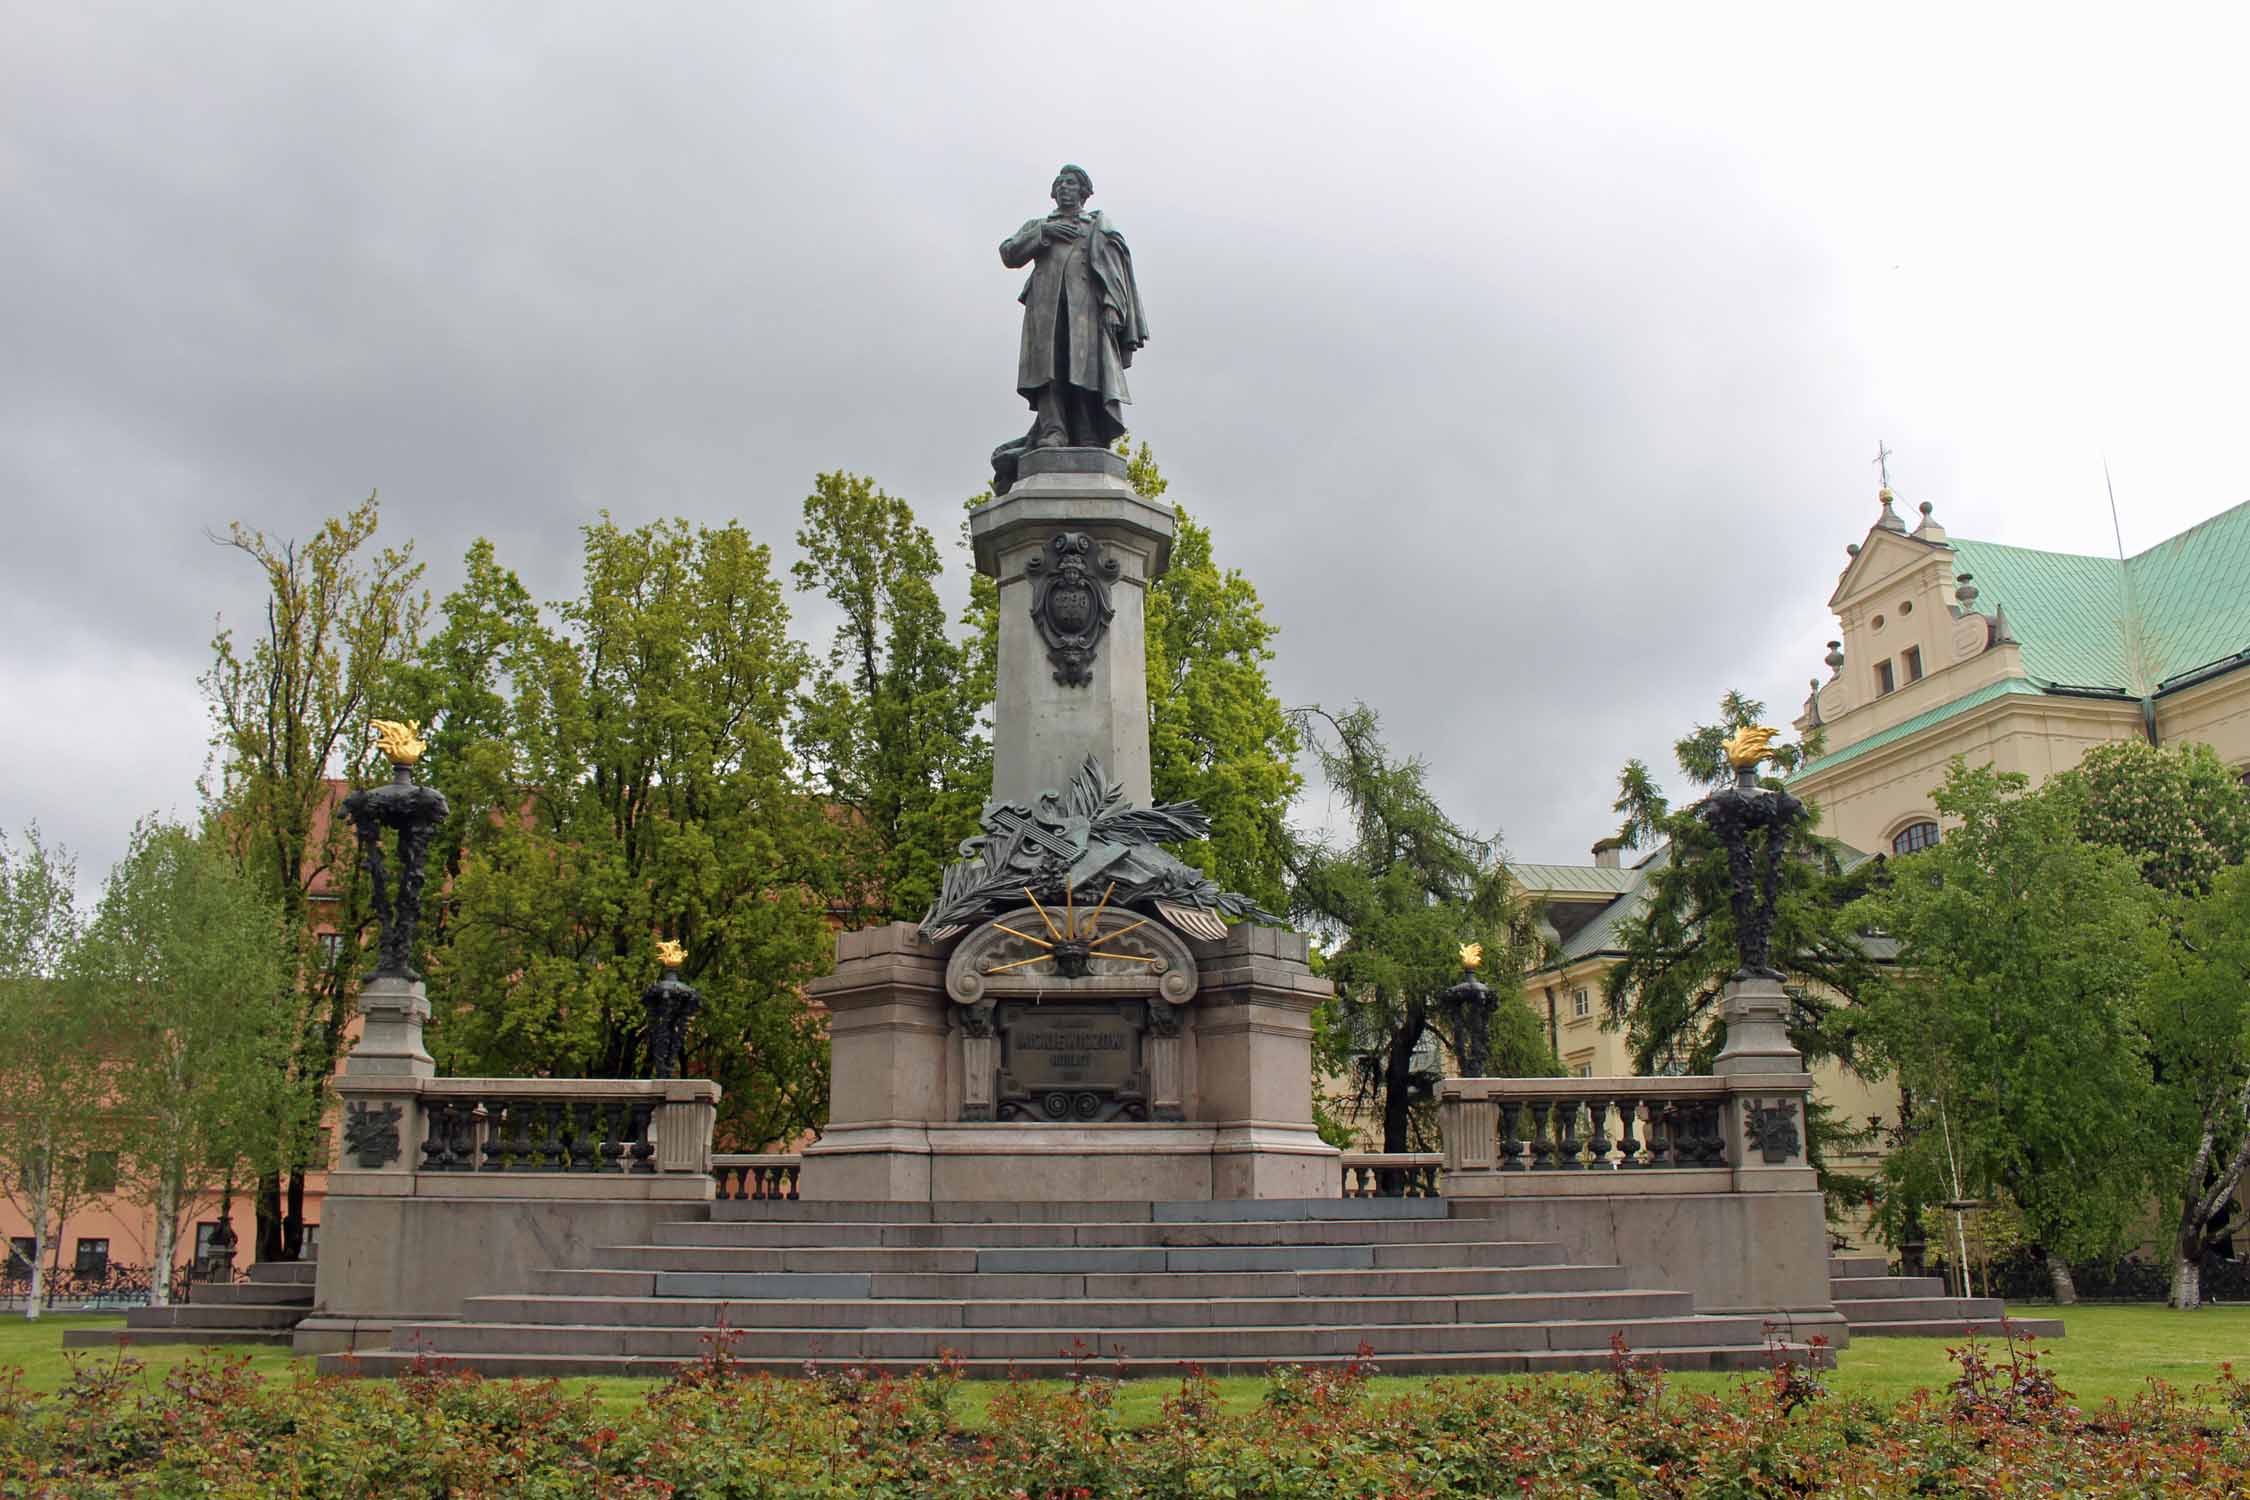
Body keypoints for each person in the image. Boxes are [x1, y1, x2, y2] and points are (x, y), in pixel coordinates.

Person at [991, 165, 1148, 489]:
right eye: (1060, 183)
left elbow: (1114, 274)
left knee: (1085, 368)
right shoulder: (1040, 226)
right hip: (1046, 308)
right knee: (1049, 368)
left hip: (1085, 311)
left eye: (1072, 183)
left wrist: (1111, 306)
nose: (1065, 188)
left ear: (1084, 191)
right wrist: (1044, 236)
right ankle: (1053, 430)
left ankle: (1088, 431)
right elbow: (1009, 252)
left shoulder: (1097, 227)